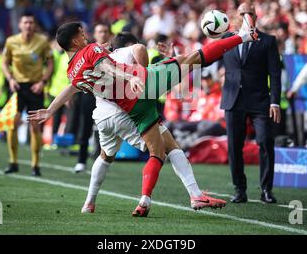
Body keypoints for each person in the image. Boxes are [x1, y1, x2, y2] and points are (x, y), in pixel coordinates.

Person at [28, 14, 258, 216]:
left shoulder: (72, 71)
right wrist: (130, 77)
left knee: (160, 148)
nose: (86, 36)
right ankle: (244, 37)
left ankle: (184, 195)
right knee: (192, 59)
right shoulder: (90, 50)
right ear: (76, 40)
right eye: (82, 33)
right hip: (142, 84)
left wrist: (50, 110)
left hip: (130, 107)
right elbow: (107, 67)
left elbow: (71, 88)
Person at [81, 32, 226, 214]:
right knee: (163, 149)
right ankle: (160, 198)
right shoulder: (129, 51)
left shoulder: (100, 60)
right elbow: (143, 62)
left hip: (103, 116)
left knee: (105, 156)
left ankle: (89, 202)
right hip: (128, 113)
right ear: (128, 45)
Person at [220, 3, 281, 204]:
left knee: (265, 142)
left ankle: (266, 190)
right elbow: (207, 59)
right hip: (233, 100)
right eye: (242, 13)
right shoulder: (226, 39)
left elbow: (275, 73)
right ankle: (240, 189)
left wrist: (275, 103)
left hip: (260, 101)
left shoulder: (268, 41)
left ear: (256, 16)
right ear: (236, 17)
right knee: (234, 146)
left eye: (250, 13)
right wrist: (178, 57)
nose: (246, 16)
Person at [1, 12, 53, 176]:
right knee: (12, 124)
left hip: (35, 88)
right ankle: (13, 162)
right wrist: (10, 78)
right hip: (17, 87)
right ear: (20, 25)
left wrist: (42, 82)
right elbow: (4, 62)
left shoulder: (42, 41)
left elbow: (51, 63)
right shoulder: (11, 41)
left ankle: (35, 165)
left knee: (35, 127)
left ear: (35, 25)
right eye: (25, 22)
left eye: (31, 22)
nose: (28, 25)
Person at [73, 23, 112, 173]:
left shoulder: (114, 51)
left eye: (105, 31)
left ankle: (103, 159)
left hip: (109, 95)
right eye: (100, 31)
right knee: (85, 127)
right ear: (94, 34)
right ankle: (81, 160)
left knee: (107, 127)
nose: (102, 34)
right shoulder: (87, 50)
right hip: (89, 94)